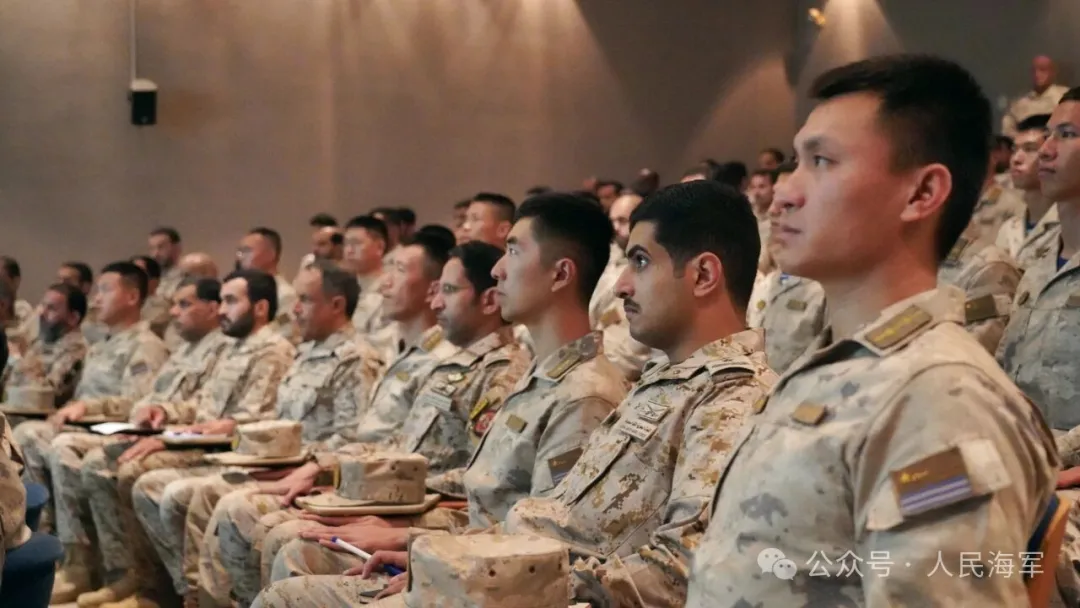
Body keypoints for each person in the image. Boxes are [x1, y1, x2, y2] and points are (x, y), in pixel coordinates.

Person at [687, 54, 1058, 606]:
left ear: (921, 194)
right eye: (796, 161)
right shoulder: (836, 365)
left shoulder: (938, 399)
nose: (785, 192)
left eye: (822, 162)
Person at [251, 196, 630, 606]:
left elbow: (543, 547)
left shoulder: (584, 394)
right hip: (469, 553)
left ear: (561, 274)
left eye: (514, 251)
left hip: (488, 582)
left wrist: (419, 545)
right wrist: (414, 538)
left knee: (286, 591)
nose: (498, 270)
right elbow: (489, 507)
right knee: (294, 552)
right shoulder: (543, 375)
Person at [128, 269, 296, 606]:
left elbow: (254, 420)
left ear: (260, 308)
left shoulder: (272, 351)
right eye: (220, 301)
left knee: (161, 486)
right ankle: (183, 591)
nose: (221, 310)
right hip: (206, 443)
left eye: (231, 301)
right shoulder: (228, 348)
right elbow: (203, 407)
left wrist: (196, 432)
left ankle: (194, 595)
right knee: (144, 480)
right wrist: (165, 412)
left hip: (234, 452)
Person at [61, 277, 231, 608]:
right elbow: (154, 401)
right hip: (164, 433)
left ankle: (161, 589)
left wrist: (162, 431)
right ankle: (113, 573)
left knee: (129, 470)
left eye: (184, 304)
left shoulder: (223, 350)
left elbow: (212, 416)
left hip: (204, 444)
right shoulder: (184, 351)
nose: (173, 312)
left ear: (212, 309)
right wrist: (149, 421)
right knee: (94, 459)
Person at [9, 261, 170, 604]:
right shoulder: (104, 344)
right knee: (29, 436)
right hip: (86, 426)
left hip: (116, 431)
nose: (95, 299)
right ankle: (66, 554)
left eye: (105, 290)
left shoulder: (146, 345)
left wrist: (88, 407)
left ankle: (115, 570)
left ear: (132, 297)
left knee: (63, 447)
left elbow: (139, 403)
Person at [999, 86, 1080, 466]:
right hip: (1017, 460)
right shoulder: (1037, 258)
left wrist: (1046, 457)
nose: (1046, 150)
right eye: (1049, 134)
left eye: (1067, 135)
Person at [1, 283, 89, 409]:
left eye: (51, 308)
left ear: (73, 318)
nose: (41, 313)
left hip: (41, 415)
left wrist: (17, 360)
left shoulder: (76, 349)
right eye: (43, 306)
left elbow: (48, 394)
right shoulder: (39, 343)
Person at [996, 113, 1061, 271]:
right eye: (1014, 149)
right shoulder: (1009, 228)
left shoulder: (1067, 227)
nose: (1016, 159)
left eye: (1030, 149)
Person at [238, 227, 300, 343]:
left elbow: (287, 336)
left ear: (270, 255)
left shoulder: (285, 295)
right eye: (240, 252)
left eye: (247, 251)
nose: (240, 257)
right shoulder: (244, 291)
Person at [1002, 55, 1070, 137]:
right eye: (1034, 71)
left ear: (1052, 72)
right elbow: (1007, 130)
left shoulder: (1066, 96)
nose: (1037, 74)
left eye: (1042, 70)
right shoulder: (1019, 103)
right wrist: (1022, 137)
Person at [148, 227, 185, 301]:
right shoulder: (150, 279)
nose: (155, 254)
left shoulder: (187, 277)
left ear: (177, 248)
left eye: (161, 247)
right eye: (152, 248)